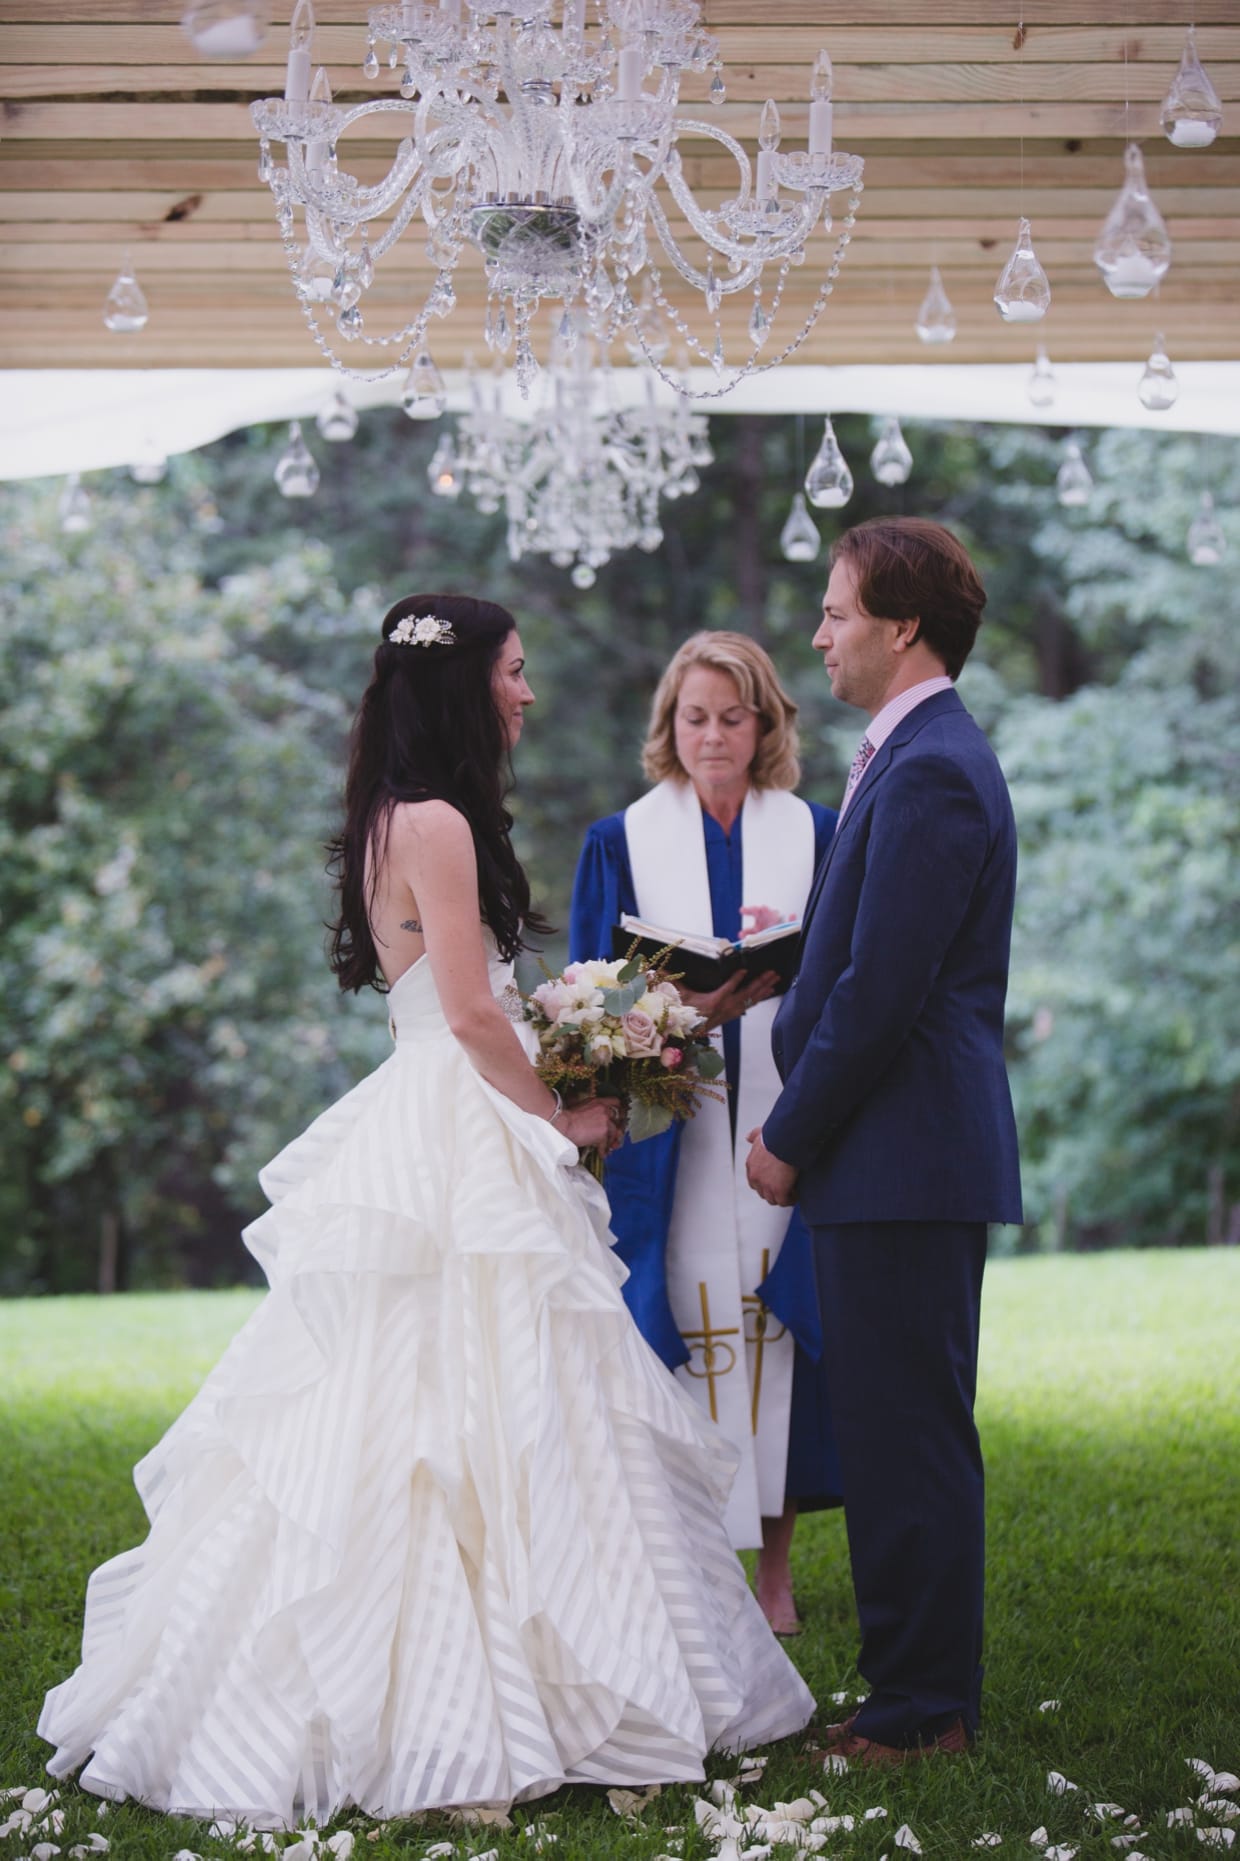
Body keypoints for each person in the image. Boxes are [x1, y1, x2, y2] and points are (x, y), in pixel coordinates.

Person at [40, 595, 814, 1828]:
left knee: (472, 1396)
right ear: (464, 685)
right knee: (467, 1399)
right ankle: (471, 1705)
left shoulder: (390, 815)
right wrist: (561, 1118)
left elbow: (469, 1002)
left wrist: (584, 1033)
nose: (524, 692)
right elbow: (465, 1012)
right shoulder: (441, 820)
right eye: (512, 671)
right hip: (457, 1113)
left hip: (434, 1101)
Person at [745, 519, 1023, 1766]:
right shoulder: (902, 759)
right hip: (892, 1153)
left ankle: (927, 1714)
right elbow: (844, 954)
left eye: (836, 610)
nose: (818, 633)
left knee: (910, 1435)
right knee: (893, 1426)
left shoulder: (933, 769)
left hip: (900, 1151)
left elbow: (882, 989)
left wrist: (786, 1137)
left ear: (901, 624)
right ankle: (911, 1692)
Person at [570, 632, 842, 1636]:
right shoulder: (622, 840)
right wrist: (684, 1011)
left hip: (784, 1114)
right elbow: (585, 1000)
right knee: (681, 1328)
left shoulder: (817, 832)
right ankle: (689, 1562)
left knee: (776, 1338)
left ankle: (773, 1573)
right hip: (669, 1132)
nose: (714, 735)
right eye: (695, 717)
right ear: (667, 726)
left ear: (766, 723)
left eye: (734, 716)